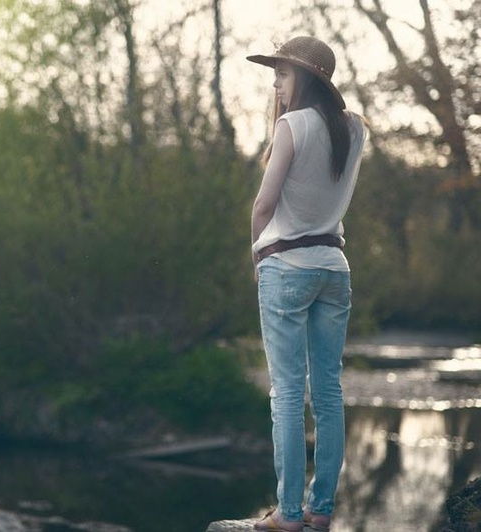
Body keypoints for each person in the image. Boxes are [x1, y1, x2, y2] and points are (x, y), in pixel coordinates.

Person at [246, 36, 367, 532]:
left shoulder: (292, 126)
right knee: (330, 393)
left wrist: (256, 256)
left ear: (306, 77)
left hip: (287, 267)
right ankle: (322, 511)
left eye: (282, 73)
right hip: (334, 268)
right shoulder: (355, 128)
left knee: (288, 393)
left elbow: (263, 205)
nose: (275, 83)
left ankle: (289, 515)